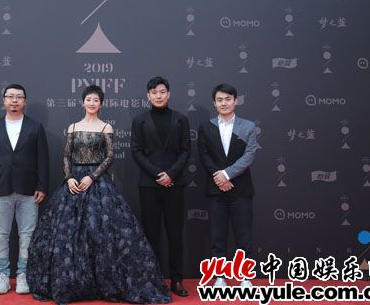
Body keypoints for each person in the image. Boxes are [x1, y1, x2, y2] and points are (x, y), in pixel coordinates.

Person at [27, 85, 171, 304]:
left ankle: (105, 282)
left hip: (97, 182)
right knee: (67, 234)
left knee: (102, 232)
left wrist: (91, 177)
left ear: (101, 104)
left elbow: (109, 157)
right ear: (82, 102)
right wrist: (69, 178)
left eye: (96, 100)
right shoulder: (73, 127)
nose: (92, 103)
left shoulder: (106, 127)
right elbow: (66, 156)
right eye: (89, 100)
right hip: (73, 183)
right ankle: (72, 283)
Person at [0, 83, 50, 295]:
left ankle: (22, 275)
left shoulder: (35, 127)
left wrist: (42, 186)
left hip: (29, 190)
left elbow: (43, 160)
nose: (14, 100)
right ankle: (2, 275)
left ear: (24, 101)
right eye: (10, 96)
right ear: (4, 100)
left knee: (27, 235)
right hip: (0, 189)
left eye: (18, 97)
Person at [131, 76, 191, 297]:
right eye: (154, 92)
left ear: (169, 94)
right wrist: (157, 174)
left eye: (162, 92)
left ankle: (177, 280)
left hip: (175, 183)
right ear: (148, 95)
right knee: (151, 234)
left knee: (175, 233)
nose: (158, 96)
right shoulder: (140, 120)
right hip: (149, 184)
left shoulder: (181, 119)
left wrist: (171, 174)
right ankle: (153, 280)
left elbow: (186, 150)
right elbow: (136, 151)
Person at [197, 83, 258, 288]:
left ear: (235, 101)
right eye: (220, 100)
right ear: (214, 103)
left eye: (228, 99)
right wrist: (219, 178)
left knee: (243, 236)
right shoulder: (206, 127)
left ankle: (245, 277)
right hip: (215, 190)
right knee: (217, 236)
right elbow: (204, 154)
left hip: (241, 189)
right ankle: (219, 277)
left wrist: (226, 174)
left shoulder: (248, 126)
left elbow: (249, 155)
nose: (224, 103)